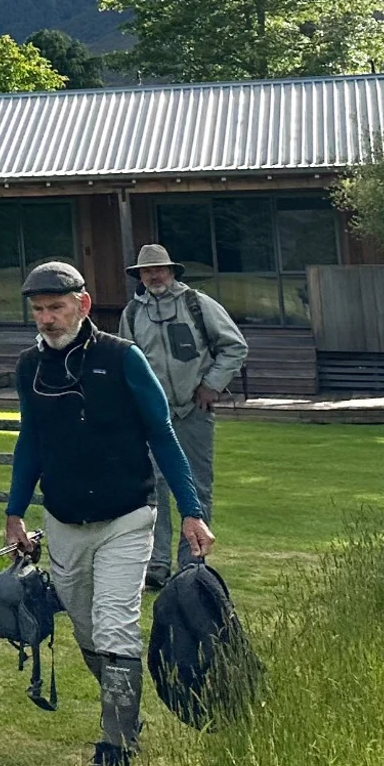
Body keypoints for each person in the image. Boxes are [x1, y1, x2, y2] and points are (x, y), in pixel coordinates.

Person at [3, 260, 212, 766]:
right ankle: (129, 716)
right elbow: (30, 442)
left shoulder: (124, 360)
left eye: (57, 307)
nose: (48, 319)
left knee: (116, 625)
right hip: (63, 520)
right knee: (88, 634)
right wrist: (15, 511)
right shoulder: (29, 368)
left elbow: (164, 437)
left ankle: (113, 754)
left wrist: (191, 510)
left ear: (84, 304)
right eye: (40, 310)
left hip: (127, 516)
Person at [118, 242, 247, 589]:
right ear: (140, 277)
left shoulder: (197, 304)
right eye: (147, 271)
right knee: (153, 488)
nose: (154, 275)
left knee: (197, 485)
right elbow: (125, 364)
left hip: (194, 411)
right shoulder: (132, 314)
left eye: (160, 269)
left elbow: (235, 346)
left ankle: (191, 563)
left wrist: (212, 385)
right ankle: (156, 564)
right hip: (151, 415)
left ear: (172, 271)